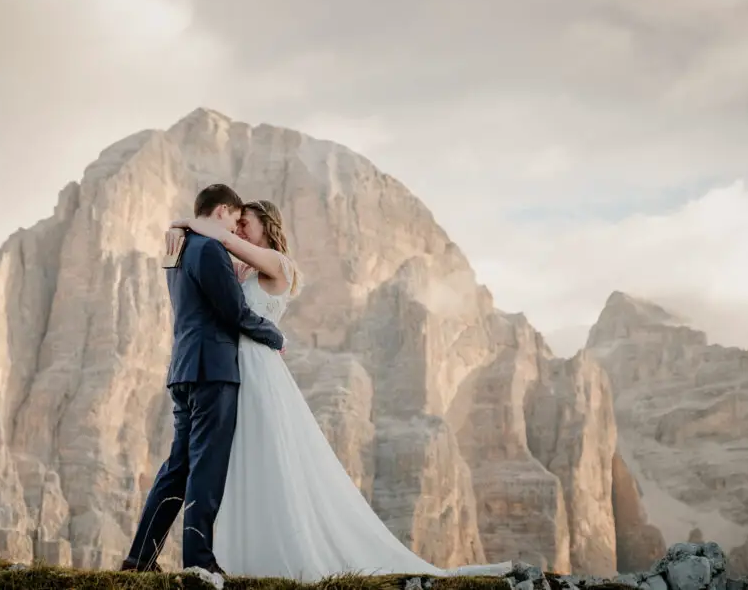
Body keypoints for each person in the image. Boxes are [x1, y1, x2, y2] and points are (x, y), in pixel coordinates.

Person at [165, 198, 513, 580]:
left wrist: (185, 221)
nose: (238, 230)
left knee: (267, 455)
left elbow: (223, 242)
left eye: (244, 222)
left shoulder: (279, 264)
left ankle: (286, 553)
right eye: (237, 223)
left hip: (259, 371)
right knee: (242, 460)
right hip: (234, 370)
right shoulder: (246, 268)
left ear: (265, 224)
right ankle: (243, 554)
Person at [120, 184, 285, 577]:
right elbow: (233, 311)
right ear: (223, 211)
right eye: (234, 219)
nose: (235, 230)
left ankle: (139, 558)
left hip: (182, 369)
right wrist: (274, 335)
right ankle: (198, 559)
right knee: (206, 467)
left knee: (177, 466)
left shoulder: (176, 250)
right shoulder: (209, 249)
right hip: (212, 369)